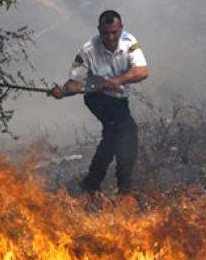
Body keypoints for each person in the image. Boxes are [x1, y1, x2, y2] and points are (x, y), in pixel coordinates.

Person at [50, 10, 149, 195]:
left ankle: (92, 182)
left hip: (120, 99)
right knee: (127, 131)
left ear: (121, 29)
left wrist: (117, 80)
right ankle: (124, 187)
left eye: (114, 32)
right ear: (99, 30)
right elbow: (76, 83)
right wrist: (63, 91)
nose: (110, 38)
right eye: (106, 33)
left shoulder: (129, 42)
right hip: (98, 98)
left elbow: (142, 71)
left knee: (112, 136)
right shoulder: (88, 51)